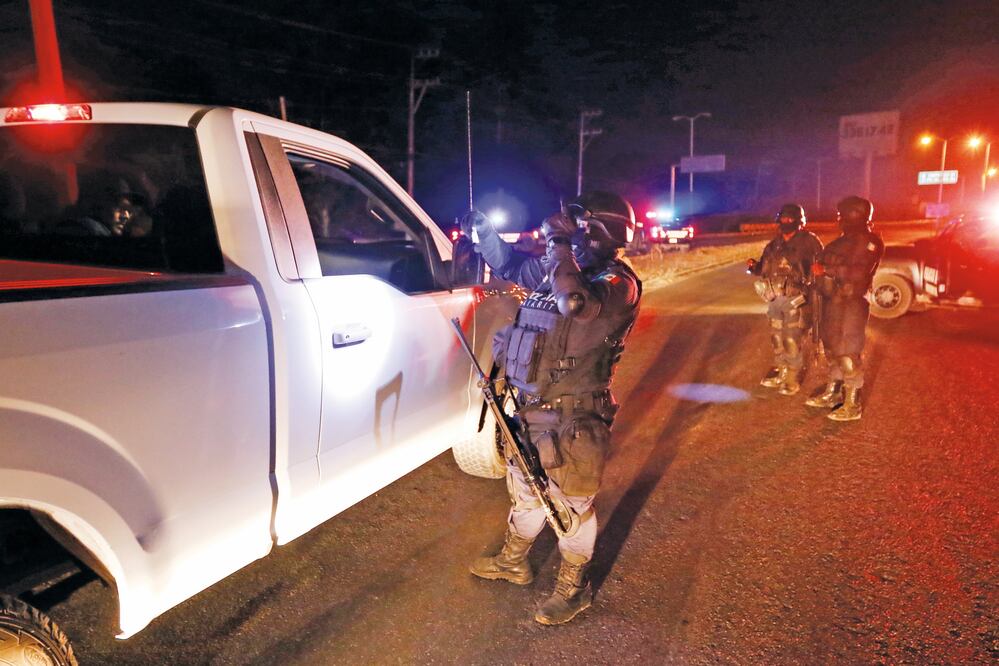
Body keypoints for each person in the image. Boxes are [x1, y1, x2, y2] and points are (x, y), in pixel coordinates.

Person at [465, 191, 642, 625]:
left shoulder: (617, 283)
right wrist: (485, 233)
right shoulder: (559, 269)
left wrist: (559, 244)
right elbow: (510, 266)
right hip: (530, 409)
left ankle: (574, 588)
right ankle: (513, 561)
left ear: (599, 229)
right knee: (525, 492)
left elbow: (575, 304)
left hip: (574, 418)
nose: (567, 229)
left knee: (571, 508)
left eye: (576, 224)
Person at [805, 196, 885, 420]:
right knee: (832, 351)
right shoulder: (841, 241)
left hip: (851, 304)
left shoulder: (869, 242)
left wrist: (827, 270)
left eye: (841, 215)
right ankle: (833, 392)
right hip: (831, 302)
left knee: (847, 354)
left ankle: (852, 403)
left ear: (853, 215)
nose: (838, 219)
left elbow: (859, 272)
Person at [747, 203, 824, 395]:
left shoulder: (810, 242)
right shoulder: (774, 245)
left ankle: (792, 375)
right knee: (776, 337)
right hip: (774, 299)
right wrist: (753, 267)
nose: (786, 222)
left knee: (791, 338)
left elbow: (821, 269)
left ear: (799, 221)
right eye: (783, 218)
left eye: (790, 219)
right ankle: (780, 369)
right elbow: (763, 268)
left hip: (796, 299)